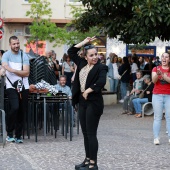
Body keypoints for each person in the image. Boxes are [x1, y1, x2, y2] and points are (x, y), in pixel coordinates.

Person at [68, 36, 108, 170]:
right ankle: (87, 159)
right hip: (82, 102)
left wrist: (88, 91)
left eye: (96, 54)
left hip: (93, 102)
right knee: (85, 133)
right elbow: (71, 51)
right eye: (91, 55)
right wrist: (85, 42)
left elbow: (101, 82)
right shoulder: (81, 63)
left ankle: (93, 164)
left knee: (91, 133)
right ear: (85, 57)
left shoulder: (101, 67)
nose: (95, 57)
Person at [1, 36, 30, 143]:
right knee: (15, 107)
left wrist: (12, 70)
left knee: (22, 111)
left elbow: (26, 72)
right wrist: (13, 70)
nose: (16, 45)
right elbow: (4, 66)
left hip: (24, 86)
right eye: (14, 44)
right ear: (10, 45)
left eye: (17, 43)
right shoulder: (6, 55)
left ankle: (18, 136)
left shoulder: (24, 55)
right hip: (11, 86)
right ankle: (9, 132)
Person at [152, 52, 170, 145]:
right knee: (157, 117)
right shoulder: (155, 68)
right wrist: (157, 75)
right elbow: (154, 81)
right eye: (163, 56)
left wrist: (163, 75)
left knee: (169, 117)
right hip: (157, 95)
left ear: (169, 59)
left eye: (166, 57)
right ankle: (156, 138)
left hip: (169, 95)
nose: (164, 58)